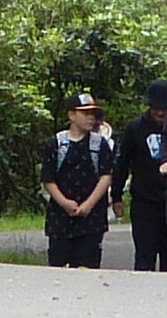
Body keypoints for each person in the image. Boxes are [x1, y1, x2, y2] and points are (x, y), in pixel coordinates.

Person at [42, 92, 118, 268]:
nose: (91, 118)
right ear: (72, 115)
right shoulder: (56, 143)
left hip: (92, 218)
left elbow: (106, 176)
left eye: (93, 114)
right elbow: (48, 179)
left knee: (88, 265)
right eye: (85, 113)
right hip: (60, 218)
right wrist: (64, 203)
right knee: (58, 265)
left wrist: (88, 205)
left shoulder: (100, 144)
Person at [120, 83, 167, 270]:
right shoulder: (136, 128)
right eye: (156, 108)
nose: (160, 113)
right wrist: (117, 195)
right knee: (145, 253)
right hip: (144, 201)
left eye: (165, 108)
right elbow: (123, 162)